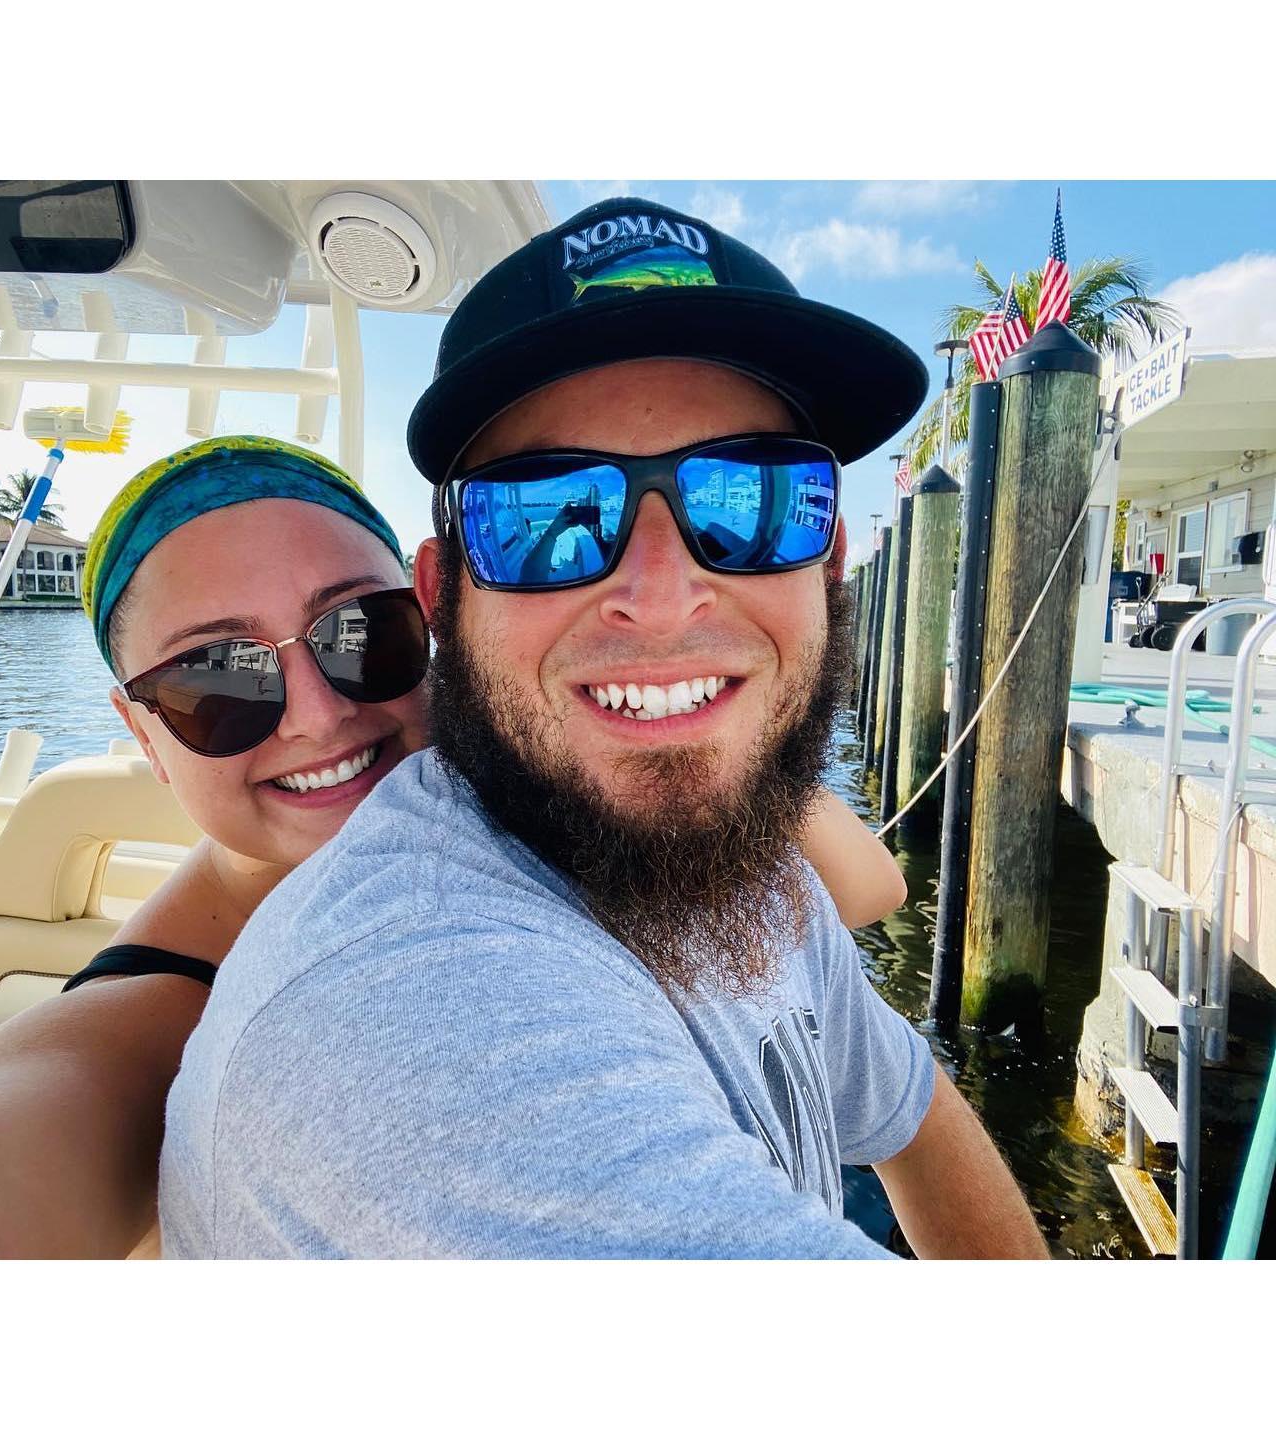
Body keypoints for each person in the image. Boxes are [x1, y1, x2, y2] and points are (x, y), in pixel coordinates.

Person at [160, 198, 1050, 1260]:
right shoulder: (411, 1016)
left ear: (828, 562)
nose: (662, 598)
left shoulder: (744, 870)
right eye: (547, 516)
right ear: (443, 598)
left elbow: (910, 1106)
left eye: (752, 501)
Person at [0, 434, 901, 1259]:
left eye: (361, 635)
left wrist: (673, 733)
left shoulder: (548, 798)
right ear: (145, 736)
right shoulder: (154, 1017)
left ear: (438, 629)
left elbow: (869, 887)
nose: (317, 717)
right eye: (216, 679)